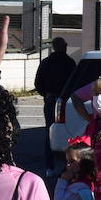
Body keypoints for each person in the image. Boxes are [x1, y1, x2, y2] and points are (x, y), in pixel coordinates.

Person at [34, 36, 76, 174]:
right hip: (65, 100)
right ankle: (68, 164)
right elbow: (75, 82)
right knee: (69, 131)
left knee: (49, 131)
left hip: (51, 99)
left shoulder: (46, 62)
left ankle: (49, 166)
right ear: (64, 47)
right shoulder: (70, 63)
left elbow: (38, 83)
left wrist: (46, 94)